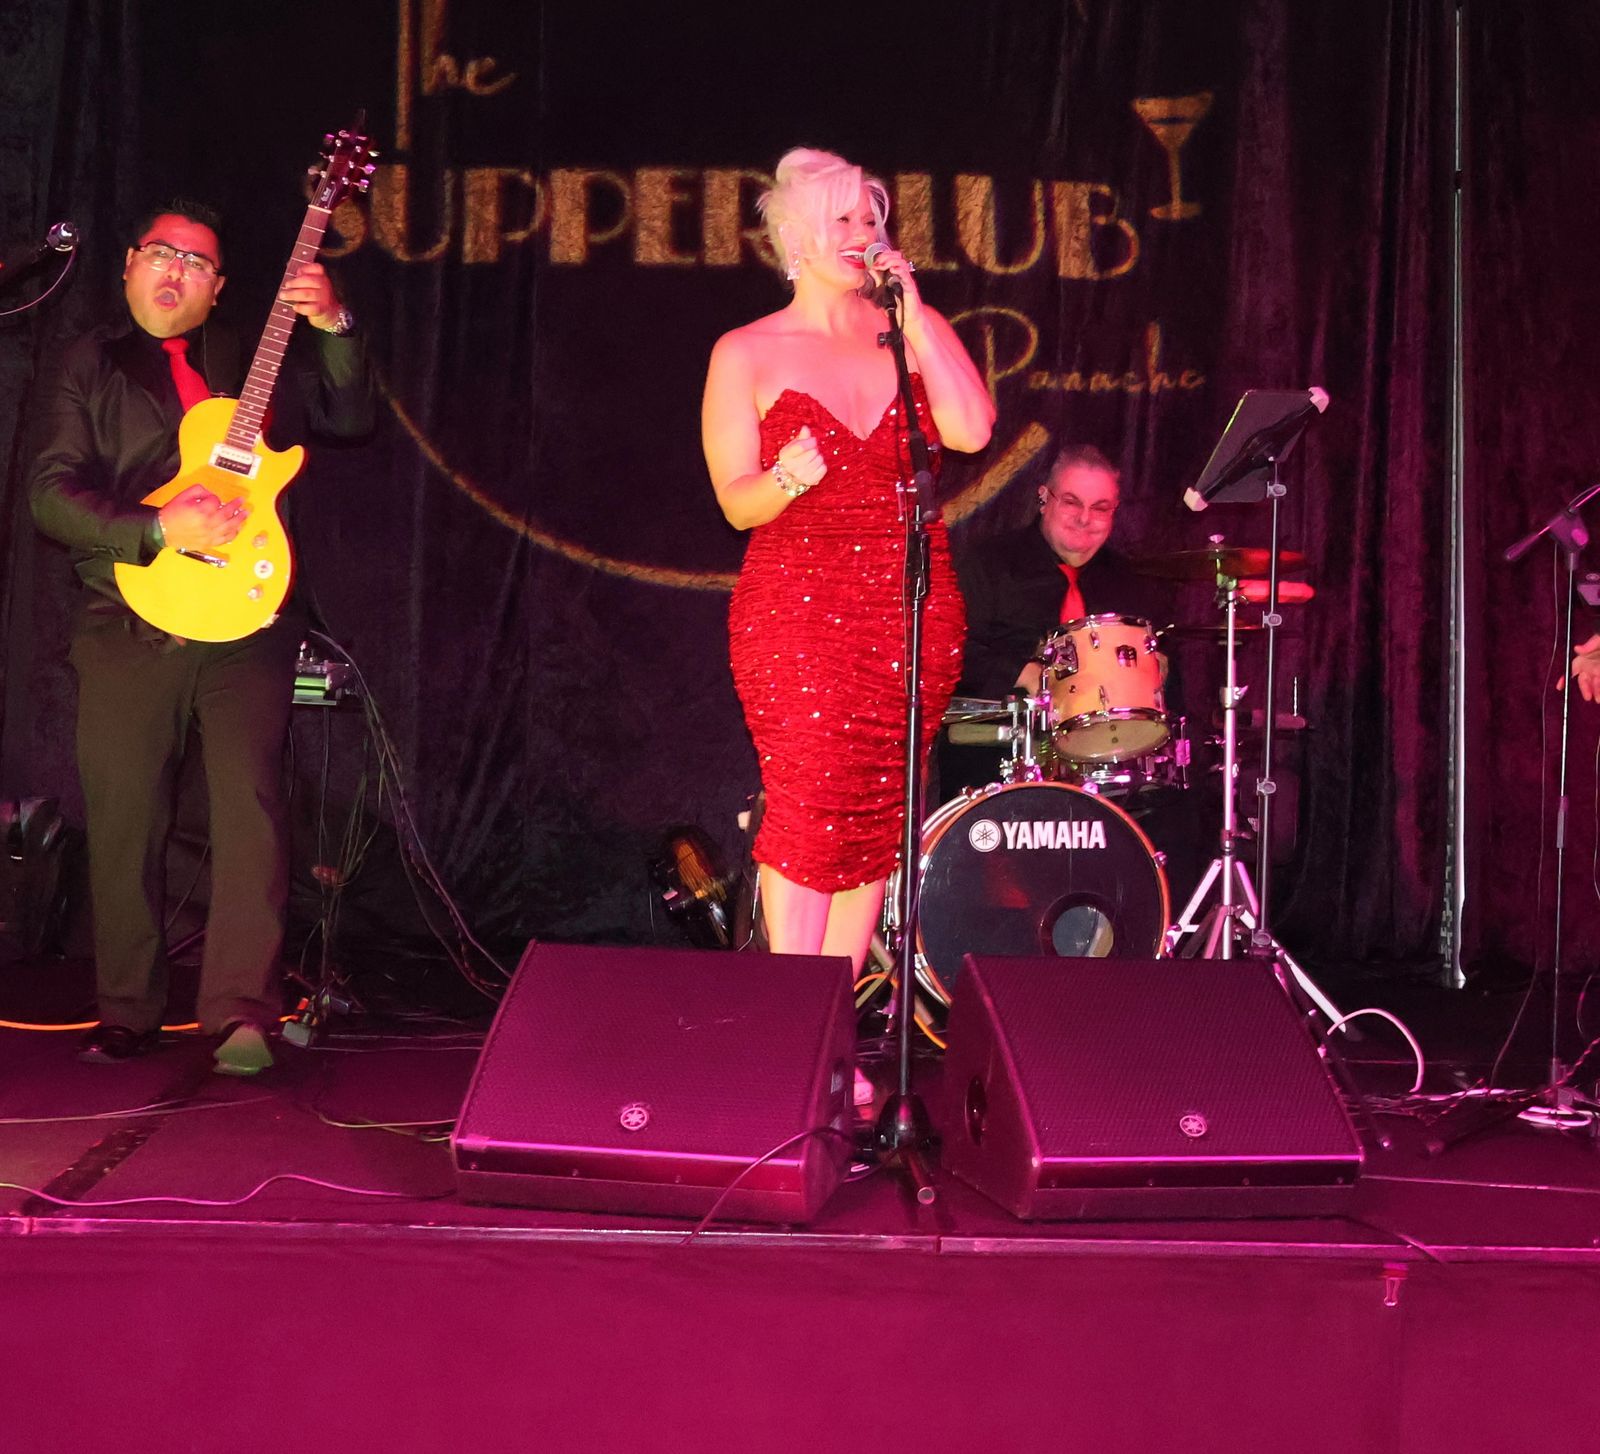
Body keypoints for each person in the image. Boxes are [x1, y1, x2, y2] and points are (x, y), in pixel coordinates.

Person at [28, 198, 372, 1073]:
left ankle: (241, 1013)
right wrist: (156, 529)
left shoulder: (252, 359)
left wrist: (334, 324)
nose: (175, 270)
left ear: (219, 289)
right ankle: (126, 1009)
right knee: (125, 813)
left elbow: (347, 418)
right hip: (126, 611)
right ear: (128, 266)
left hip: (245, 617)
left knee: (251, 806)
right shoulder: (88, 362)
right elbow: (49, 495)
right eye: (161, 253)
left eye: (197, 262)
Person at [701, 147, 994, 977]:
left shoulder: (907, 334)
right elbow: (736, 503)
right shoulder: (746, 350)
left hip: (913, 607)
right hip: (799, 611)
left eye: (873, 219)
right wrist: (788, 478)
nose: (865, 233)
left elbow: (972, 429)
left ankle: (829, 1026)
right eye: (843, 219)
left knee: (875, 815)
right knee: (810, 808)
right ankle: (793, 1025)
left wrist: (920, 320)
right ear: (795, 236)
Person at [955, 444, 1169, 702]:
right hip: (1005, 723)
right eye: (1071, 502)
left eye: (1100, 508)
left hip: (1107, 725)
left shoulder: (1129, 582)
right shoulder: (987, 564)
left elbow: (1161, 661)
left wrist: (1158, 667)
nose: (1084, 519)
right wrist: (1022, 674)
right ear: (1044, 498)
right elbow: (949, 650)